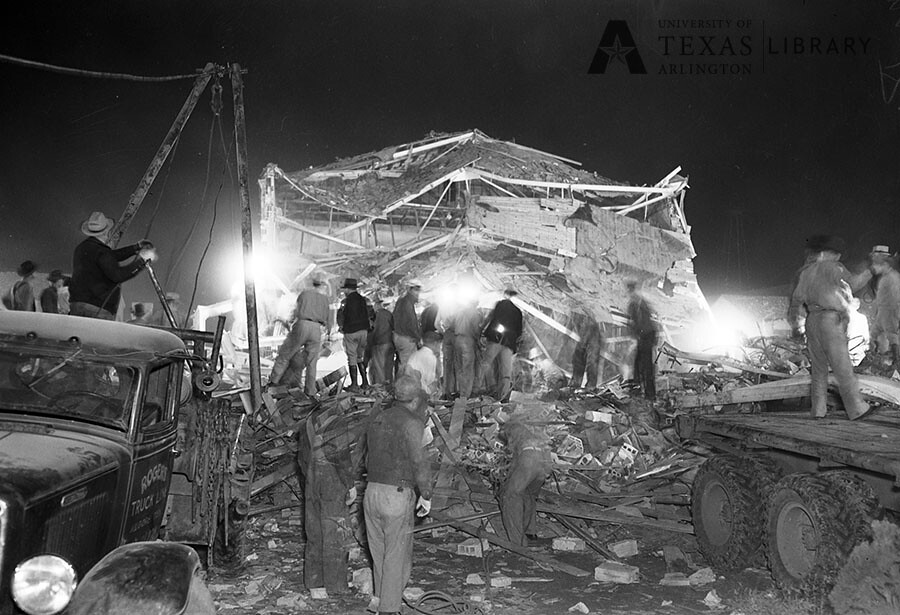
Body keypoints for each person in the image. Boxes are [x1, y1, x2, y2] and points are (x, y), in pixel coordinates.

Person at [359, 375, 432, 615]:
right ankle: (389, 610)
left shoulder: (378, 418)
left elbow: (367, 459)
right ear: (415, 399)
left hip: (371, 492)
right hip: (396, 495)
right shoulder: (412, 423)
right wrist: (426, 493)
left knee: (379, 551)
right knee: (395, 554)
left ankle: (379, 599)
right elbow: (419, 462)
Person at [789, 235, 871, 420]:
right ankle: (857, 409)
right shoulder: (835, 268)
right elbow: (855, 283)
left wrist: (796, 325)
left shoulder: (806, 273)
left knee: (818, 370)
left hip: (812, 320)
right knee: (842, 367)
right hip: (830, 320)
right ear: (831, 254)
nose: (838, 257)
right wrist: (870, 271)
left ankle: (818, 411)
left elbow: (796, 300)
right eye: (837, 254)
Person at [297, 401, 363, 598]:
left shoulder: (308, 421)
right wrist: (349, 483)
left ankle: (315, 584)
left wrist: (310, 479)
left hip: (311, 478)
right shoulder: (337, 421)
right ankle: (335, 585)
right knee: (335, 531)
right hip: (331, 480)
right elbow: (340, 455)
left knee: (314, 531)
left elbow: (302, 458)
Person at [70, 211, 152, 320]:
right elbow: (117, 275)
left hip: (77, 305)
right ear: (107, 232)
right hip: (97, 308)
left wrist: (135, 247)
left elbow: (111, 257)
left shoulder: (82, 248)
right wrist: (141, 262)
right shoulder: (102, 251)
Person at [269, 275, 331, 396]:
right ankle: (310, 391)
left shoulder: (305, 294)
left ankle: (273, 383)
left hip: (302, 325)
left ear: (313, 284)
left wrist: (289, 322)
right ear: (322, 286)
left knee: (285, 354)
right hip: (316, 328)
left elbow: (296, 311)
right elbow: (328, 319)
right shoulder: (325, 299)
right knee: (312, 362)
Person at [498, 419, 551, 547]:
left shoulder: (511, 430)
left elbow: (516, 461)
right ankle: (530, 534)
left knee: (510, 496)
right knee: (528, 495)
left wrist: (506, 479)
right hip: (543, 463)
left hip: (529, 461)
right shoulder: (530, 434)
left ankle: (518, 543)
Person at [478, 288, 523, 402]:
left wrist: (481, 331)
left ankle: (476, 389)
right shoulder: (518, 311)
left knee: (485, 364)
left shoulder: (500, 305)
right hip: (509, 344)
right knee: (506, 371)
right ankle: (503, 397)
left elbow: (490, 318)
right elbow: (519, 331)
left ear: (504, 294)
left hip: (495, 339)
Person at [337, 278, 372, 391]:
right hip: (364, 331)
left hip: (351, 331)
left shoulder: (345, 301)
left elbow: (340, 316)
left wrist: (341, 327)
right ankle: (365, 382)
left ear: (347, 289)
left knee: (352, 358)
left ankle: (354, 385)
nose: (344, 292)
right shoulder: (364, 300)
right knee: (359, 357)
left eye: (345, 289)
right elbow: (371, 314)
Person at [626, 280, 659, 400]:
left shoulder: (634, 304)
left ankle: (645, 393)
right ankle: (645, 392)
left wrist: (635, 336)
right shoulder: (641, 301)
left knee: (644, 365)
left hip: (645, 336)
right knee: (642, 365)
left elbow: (635, 323)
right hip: (648, 335)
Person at [867, 245, 900, 364]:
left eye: (876, 263)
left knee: (891, 335)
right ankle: (873, 358)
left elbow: (895, 298)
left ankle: (897, 361)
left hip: (889, 310)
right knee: (873, 334)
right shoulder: (885, 277)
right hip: (883, 310)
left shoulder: (892, 277)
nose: (874, 266)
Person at [450, 296, 482, 399]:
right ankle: (465, 396)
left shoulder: (459, 311)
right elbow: (475, 329)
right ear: (475, 303)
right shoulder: (474, 313)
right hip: (468, 340)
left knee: (459, 368)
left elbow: (452, 325)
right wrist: (479, 340)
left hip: (457, 339)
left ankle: (460, 391)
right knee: (467, 369)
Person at [570, 311, 605, 390]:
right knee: (577, 360)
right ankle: (575, 384)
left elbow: (590, 325)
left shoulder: (588, 317)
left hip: (592, 337)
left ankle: (590, 386)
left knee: (592, 363)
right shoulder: (576, 314)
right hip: (584, 337)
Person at [392, 279, 422, 370]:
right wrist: (417, 338)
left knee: (403, 363)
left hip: (398, 336)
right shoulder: (407, 302)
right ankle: (405, 379)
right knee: (409, 365)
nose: (417, 293)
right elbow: (410, 323)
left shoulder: (401, 300)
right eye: (415, 290)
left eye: (418, 290)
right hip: (406, 338)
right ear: (409, 289)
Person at [402, 331, 441, 396]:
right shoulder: (431, 357)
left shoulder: (415, 354)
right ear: (436, 343)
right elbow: (431, 381)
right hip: (420, 391)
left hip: (409, 388)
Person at [368, 295, 395, 385]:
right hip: (389, 343)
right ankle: (389, 386)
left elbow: (373, 331)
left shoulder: (374, 315)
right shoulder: (388, 313)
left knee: (379, 369)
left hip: (379, 343)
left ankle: (381, 388)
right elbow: (393, 327)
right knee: (388, 367)